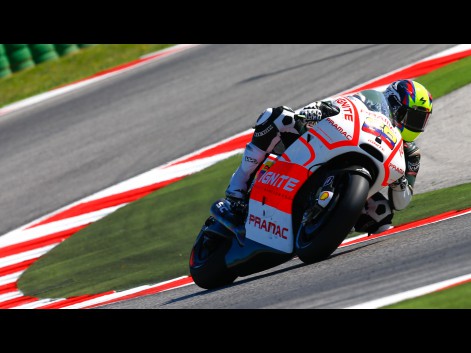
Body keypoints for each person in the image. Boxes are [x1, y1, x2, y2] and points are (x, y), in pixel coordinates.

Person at [224, 79, 433, 234]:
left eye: (421, 120)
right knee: (278, 116)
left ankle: (331, 233)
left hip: (365, 182)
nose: (416, 125)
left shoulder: (411, 154)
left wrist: (401, 179)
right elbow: (344, 105)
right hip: (336, 142)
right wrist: (316, 111)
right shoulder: (371, 103)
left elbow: (402, 203)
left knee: (382, 214)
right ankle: (237, 189)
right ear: (396, 107)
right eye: (413, 117)